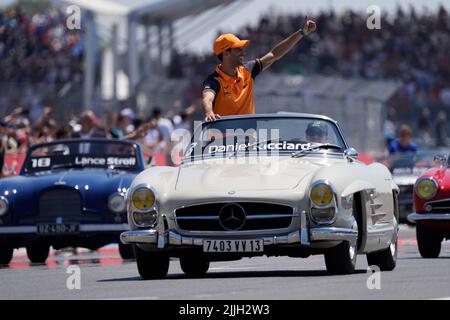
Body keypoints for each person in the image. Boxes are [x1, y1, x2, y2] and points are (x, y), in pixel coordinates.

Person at [202, 16, 317, 121]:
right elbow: (207, 98)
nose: (243, 52)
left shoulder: (248, 70)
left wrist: (301, 32)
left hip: (249, 141)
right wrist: (209, 112)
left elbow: (274, 55)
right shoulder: (214, 81)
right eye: (238, 49)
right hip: (224, 142)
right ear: (225, 54)